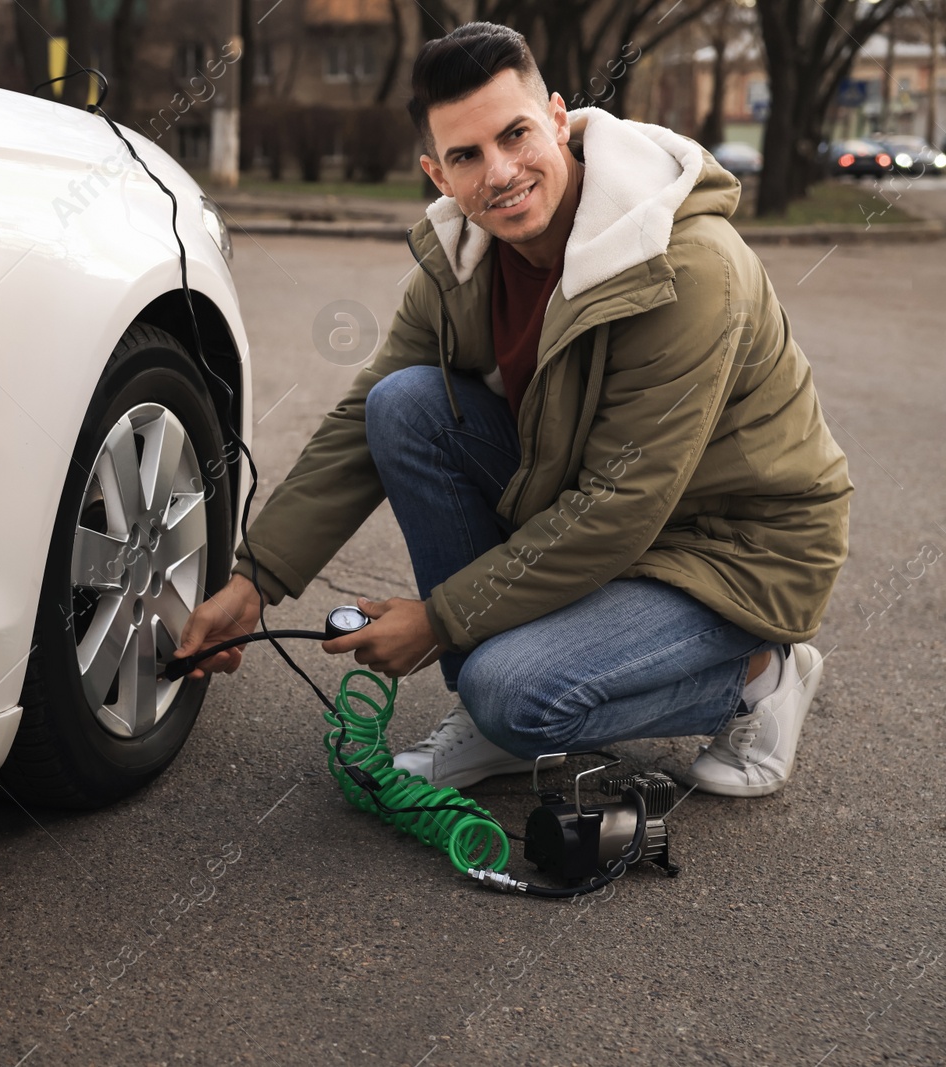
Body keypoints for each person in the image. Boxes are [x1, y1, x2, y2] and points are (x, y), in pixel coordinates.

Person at [173, 22, 852, 797]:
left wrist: (437, 619)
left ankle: (759, 673)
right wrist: (253, 580)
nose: (499, 172)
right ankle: (500, 717)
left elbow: (618, 507)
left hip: (732, 551)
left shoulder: (685, 266)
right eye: (466, 155)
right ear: (437, 171)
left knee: (512, 694)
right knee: (403, 405)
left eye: (516, 134)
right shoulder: (463, 258)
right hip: (602, 507)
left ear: (559, 119)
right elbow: (364, 419)